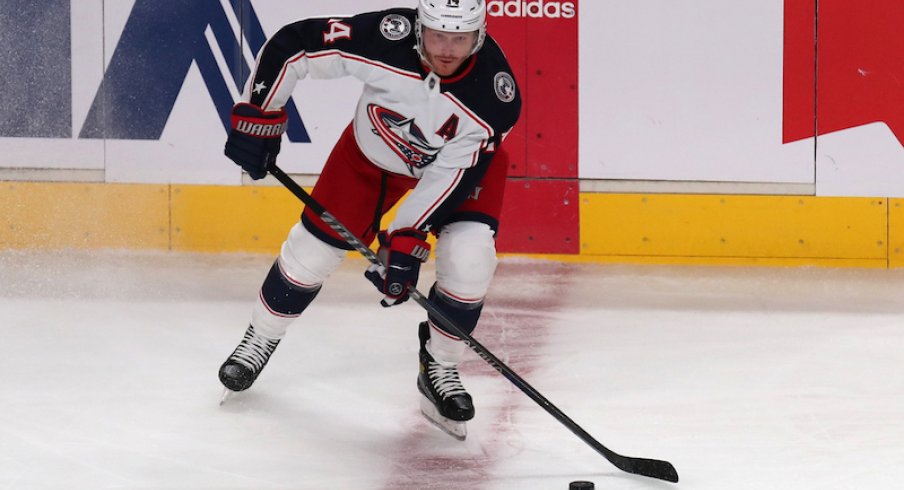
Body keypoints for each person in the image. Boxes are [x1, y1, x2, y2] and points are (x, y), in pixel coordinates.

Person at [218, 0, 520, 440]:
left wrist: (406, 240)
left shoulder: (493, 98)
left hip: (459, 171)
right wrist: (260, 116)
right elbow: (293, 46)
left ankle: (440, 365)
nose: (448, 50)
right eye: (438, 35)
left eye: (461, 38)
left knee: (471, 260)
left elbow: (448, 176)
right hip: (369, 159)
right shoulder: (386, 37)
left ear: (481, 34)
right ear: (419, 28)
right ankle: (262, 336)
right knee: (310, 253)